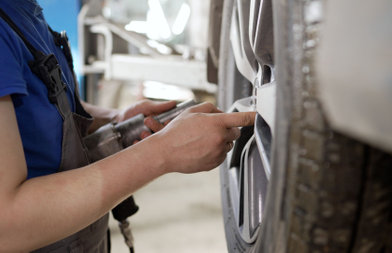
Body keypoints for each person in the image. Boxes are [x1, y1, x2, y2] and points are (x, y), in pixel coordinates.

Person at [0, 1, 255, 252]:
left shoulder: (21, 9)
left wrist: (114, 117)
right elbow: (7, 225)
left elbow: (33, 107)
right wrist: (163, 152)